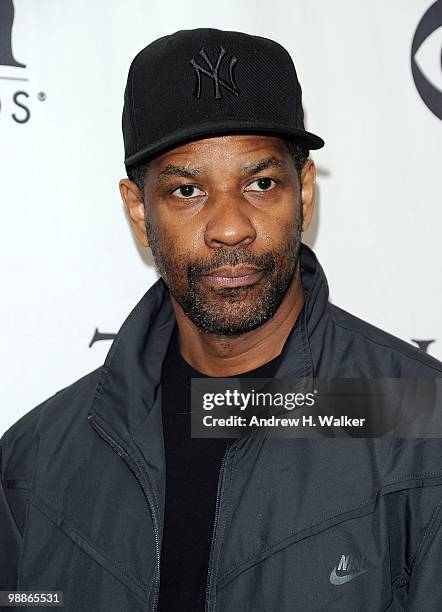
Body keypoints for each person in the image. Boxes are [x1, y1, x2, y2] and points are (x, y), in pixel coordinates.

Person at [1, 28, 441, 612]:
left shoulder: (418, 422)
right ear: (139, 210)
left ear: (304, 193)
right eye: (187, 191)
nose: (230, 227)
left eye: (261, 184)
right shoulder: (37, 462)